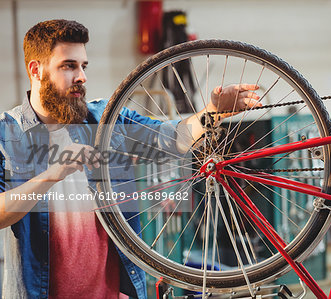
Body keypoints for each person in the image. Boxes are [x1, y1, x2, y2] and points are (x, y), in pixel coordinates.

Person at [0, 19, 261, 298]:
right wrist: (54, 172)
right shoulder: (7, 135)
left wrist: (213, 112)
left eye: (83, 66)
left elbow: (169, 139)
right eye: (68, 66)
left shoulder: (104, 118)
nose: (81, 76)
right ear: (36, 70)